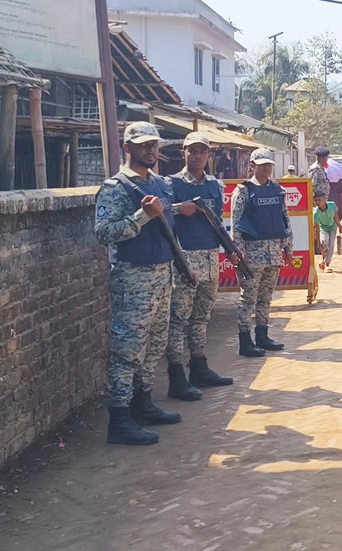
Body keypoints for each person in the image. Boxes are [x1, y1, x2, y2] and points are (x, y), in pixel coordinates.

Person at [95, 122, 184, 445]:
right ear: (127, 147)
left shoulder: (159, 184)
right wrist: (141, 216)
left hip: (162, 274)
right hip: (133, 278)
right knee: (127, 351)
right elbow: (103, 232)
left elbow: (170, 227)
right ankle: (119, 419)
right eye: (144, 144)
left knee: (155, 345)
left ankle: (142, 404)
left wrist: (182, 265)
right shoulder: (115, 188)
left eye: (154, 144)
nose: (151, 149)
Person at [165, 133, 241, 406]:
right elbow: (160, 213)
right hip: (184, 261)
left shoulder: (214, 186)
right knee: (178, 320)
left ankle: (199, 367)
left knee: (201, 318)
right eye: (192, 151)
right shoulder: (171, 183)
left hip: (210, 259)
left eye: (202, 151)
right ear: (183, 153)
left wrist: (229, 249)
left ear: (209, 155)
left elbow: (216, 222)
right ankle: (176, 376)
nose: (197, 156)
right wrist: (178, 209)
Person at [231, 148, 292, 357]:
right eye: (262, 164)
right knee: (248, 298)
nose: (266, 168)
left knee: (265, 297)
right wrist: (239, 251)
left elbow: (285, 220)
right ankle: (245, 341)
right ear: (252, 166)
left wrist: (288, 248)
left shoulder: (277, 190)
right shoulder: (243, 191)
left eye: (269, 165)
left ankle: (262, 336)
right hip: (252, 254)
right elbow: (236, 224)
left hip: (273, 253)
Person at [314, 194, 342, 273]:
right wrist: (318, 241)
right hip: (323, 229)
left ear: (325, 200)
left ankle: (326, 264)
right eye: (316, 200)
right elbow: (317, 228)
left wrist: (340, 226)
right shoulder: (316, 213)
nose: (317, 202)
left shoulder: (332, 205)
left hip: (333, 228)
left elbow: (335, 216)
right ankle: (323, 260)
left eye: (319, 200)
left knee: (331, 246)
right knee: (324, 243)